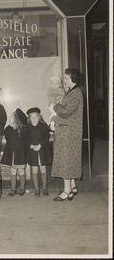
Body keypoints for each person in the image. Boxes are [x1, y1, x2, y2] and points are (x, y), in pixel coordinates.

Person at [52, 68, 84, 201]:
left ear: (73, 79)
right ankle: (72, 186)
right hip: (68, 131)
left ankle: (66, 191)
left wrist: (55, 106)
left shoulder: (76, 94)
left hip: (69, 133)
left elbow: (66, 111)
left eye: (66, 78)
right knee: (70, 159)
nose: (64, 81)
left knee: (65, 160)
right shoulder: (73, 92)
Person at [25, 107, 53, 197]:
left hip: (42, 150)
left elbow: (46, 137)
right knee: (34, 169)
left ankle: (44, 188)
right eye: (32, 117)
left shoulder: (44, 126)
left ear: (39, 117)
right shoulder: (27, 127)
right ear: (29, 118)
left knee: (43, 169)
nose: (34, 119)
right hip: (32, 151)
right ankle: (37, 189)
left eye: (36, 117)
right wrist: (31, 145)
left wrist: (40, 145)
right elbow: (25, 139)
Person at [1, 108, 28, 196]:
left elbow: (25, 141)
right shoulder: (8, 129)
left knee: (21, 171)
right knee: (12, 171)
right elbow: (8, 139)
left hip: (20, 154)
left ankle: (22, 188)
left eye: (12, 116)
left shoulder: (23, 129)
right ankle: (13, 189)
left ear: (16, 118)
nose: (10, 118)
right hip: (11, 154)